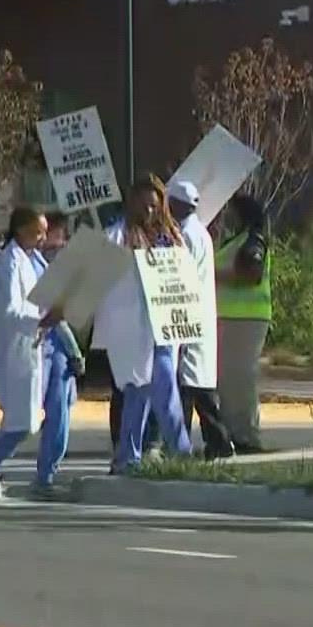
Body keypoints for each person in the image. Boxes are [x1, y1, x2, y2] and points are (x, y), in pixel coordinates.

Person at [0, 208, 79, 500]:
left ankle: (46, 478)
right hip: (28, 346)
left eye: (45, 231)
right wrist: (42, 320)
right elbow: (10, 310)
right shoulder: (9, 262)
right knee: (25, 421)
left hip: (53, 345)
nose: (44, 237)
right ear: (20, 229)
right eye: (38, 231)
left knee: (59, 412)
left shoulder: (36, 260)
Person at [101, 179, 194, 473]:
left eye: (154, 205)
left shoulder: (171, 236)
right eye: (143, 204)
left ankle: (182, 455)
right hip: (131, 329)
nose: (149, 210)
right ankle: (128, 457)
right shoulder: (115, 237)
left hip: (165, 331)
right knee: (136, 393)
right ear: (130, 203)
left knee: (166, 391)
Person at [166, 180, 233, 459]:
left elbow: (180, 275)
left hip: (190, 318)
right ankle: (210, 443)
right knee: (194, 386)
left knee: (192, 388)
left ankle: (212, 443)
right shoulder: (197, 232)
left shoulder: (188, 235)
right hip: (197, 318)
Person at [215, 194, 272, 454]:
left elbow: (251, 274)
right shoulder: (235, 241)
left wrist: (209, 275)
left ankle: (247, 436)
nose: (226, 215)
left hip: (245, 319)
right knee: (228, 382)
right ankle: (233, 434)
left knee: (239, 382)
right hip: (231, 319)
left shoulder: (252, 240)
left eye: (230, 211)